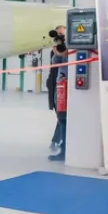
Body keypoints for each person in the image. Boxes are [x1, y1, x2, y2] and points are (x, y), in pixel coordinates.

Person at [46, 25, 67, 154]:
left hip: (65, 84)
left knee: (63, 117)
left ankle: (59, 142)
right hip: (57, 85)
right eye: (58, 35)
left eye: (62, 35)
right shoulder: (55, 50)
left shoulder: (71, 49)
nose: (59, 38)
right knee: (60, 116)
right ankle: (58, 141)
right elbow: (54, 65)